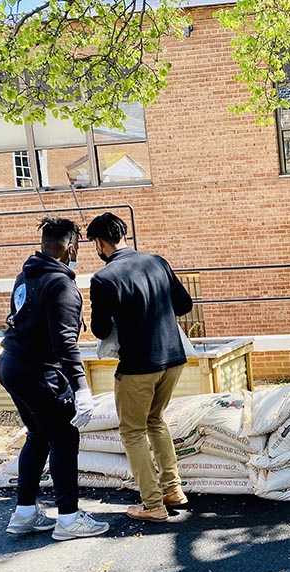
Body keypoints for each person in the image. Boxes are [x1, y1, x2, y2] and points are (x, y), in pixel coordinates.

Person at [0, 218, 109, 541]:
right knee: (63, 437)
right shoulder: (61, 285)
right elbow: (65, 342)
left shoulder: (25, 276)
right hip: (36, 370)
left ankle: (25, 512)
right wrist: (82, 389)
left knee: (38, 435)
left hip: (10, 364)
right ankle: (69, 519)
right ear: (71, 247)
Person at [87, 212, 194, 522]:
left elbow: (101, 330)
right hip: (172, 358)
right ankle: (173, 490)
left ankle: (152, 504)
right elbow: (184, 305)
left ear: (99, 242)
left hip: (137, 365)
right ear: (123, 235)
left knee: (132, 431)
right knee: (156, 421)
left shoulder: (103, 278)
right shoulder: (157, 262)